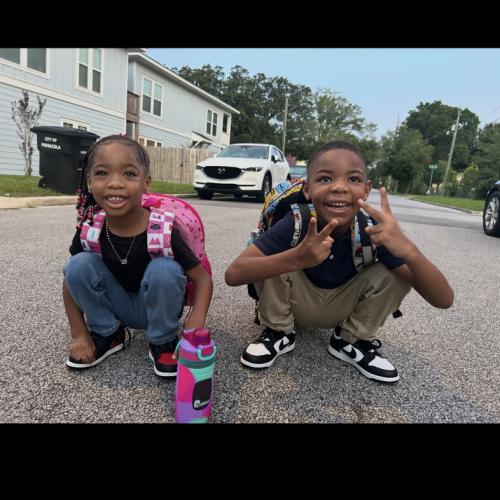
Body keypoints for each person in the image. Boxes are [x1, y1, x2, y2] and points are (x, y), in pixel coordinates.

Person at [225, 140, 453, 383]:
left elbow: (443, 300)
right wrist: (296, 258)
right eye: (325, 178)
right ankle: (278, 331)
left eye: (353, 179)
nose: (339, 188)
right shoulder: (296, 222)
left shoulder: (373, 231)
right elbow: (233, 275)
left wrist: (410, 251)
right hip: (294, 303)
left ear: (366, 189)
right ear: (307, 189)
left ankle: (349, 340)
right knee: (272, 259)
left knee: (398, 272)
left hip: (343, 306)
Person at [63, 135, 213, 377]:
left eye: (129, 174)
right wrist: (79, 334)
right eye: (102, 173)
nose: (115, 183)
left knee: (165, 269)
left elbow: (202, 278)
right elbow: (70, 281)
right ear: (89, 182)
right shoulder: (90, 228)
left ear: (146, 183)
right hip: (117, 306)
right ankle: (108, 333)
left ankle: (162, 340)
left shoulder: (164, 229)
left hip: (156, 307)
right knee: (77, 264)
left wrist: (196, 319)